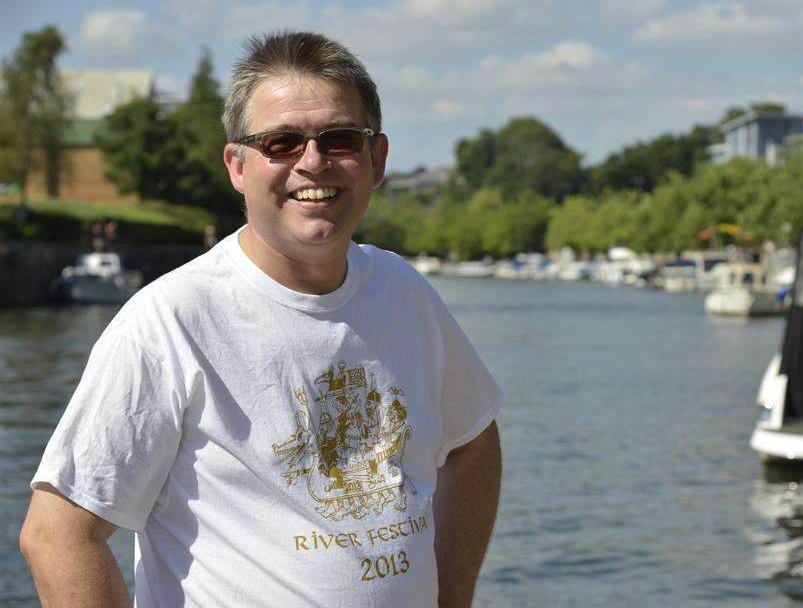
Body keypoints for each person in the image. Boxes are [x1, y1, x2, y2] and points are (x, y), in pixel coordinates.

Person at [20, 31, 502, 607]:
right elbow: (58, 535)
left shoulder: (405, 292)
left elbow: (473, 443)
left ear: (377, 160)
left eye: (341, 139)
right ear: (238, 166)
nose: (313, 161)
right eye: (281, 142)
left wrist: (451, 598)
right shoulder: (169, 322)